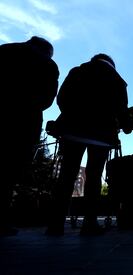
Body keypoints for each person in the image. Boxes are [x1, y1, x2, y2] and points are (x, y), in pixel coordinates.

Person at [46, 53, 133, 236]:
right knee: (94, 176)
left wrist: (74, 116)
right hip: (101, 134)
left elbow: (62, 98)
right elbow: (120, 110)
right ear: (111, 64)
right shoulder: (117, 80)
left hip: (72, 130)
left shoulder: (77, 72)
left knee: (66, 176)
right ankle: (89, 223)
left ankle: (55, 224)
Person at [0, 36, 59, 236]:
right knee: (8, 172)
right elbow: (48, 98)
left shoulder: (4, 51)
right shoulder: (48, 65)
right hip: (23, 122)